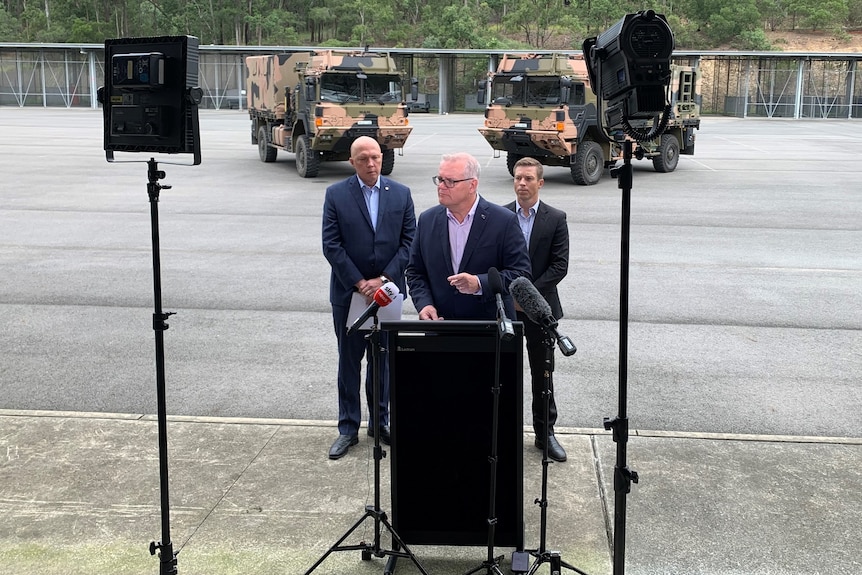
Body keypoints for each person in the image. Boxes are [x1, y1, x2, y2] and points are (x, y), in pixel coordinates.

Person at [322, 136, 416, 460]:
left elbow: (409, 241)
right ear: (352, 162)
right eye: (363, 159)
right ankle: (348, 428)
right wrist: (360, 283)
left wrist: (385, 278)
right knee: (349, 363)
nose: (371, 164)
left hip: (387, 294)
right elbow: (331, 245)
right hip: (350, 295)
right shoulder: (336, 195)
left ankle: (380, 423)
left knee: (383, 362)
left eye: (375, 157)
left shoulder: (401, 194)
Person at [406, 152, 531, 321]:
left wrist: (479, 283)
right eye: (440, 179)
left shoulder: (503, 221)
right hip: (440, 327)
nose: (441, 186)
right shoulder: (427, 220)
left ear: (472, 185)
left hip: (490, 328)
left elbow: (521, 274)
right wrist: (424, 304)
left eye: (450, 181)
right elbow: (415, 272)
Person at [504, 157, 570, 462]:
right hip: (507, 310)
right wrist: (512, 296)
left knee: (543, 375)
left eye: (528, 178)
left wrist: (528, 296)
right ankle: (505, 433)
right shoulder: (500, 216)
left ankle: (546, 434)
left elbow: (559, 266)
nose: (522, 183)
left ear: (540, 183)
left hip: (542, 310)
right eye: (518, 178)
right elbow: (493, 262)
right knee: (504, 373)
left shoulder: (556, 218)